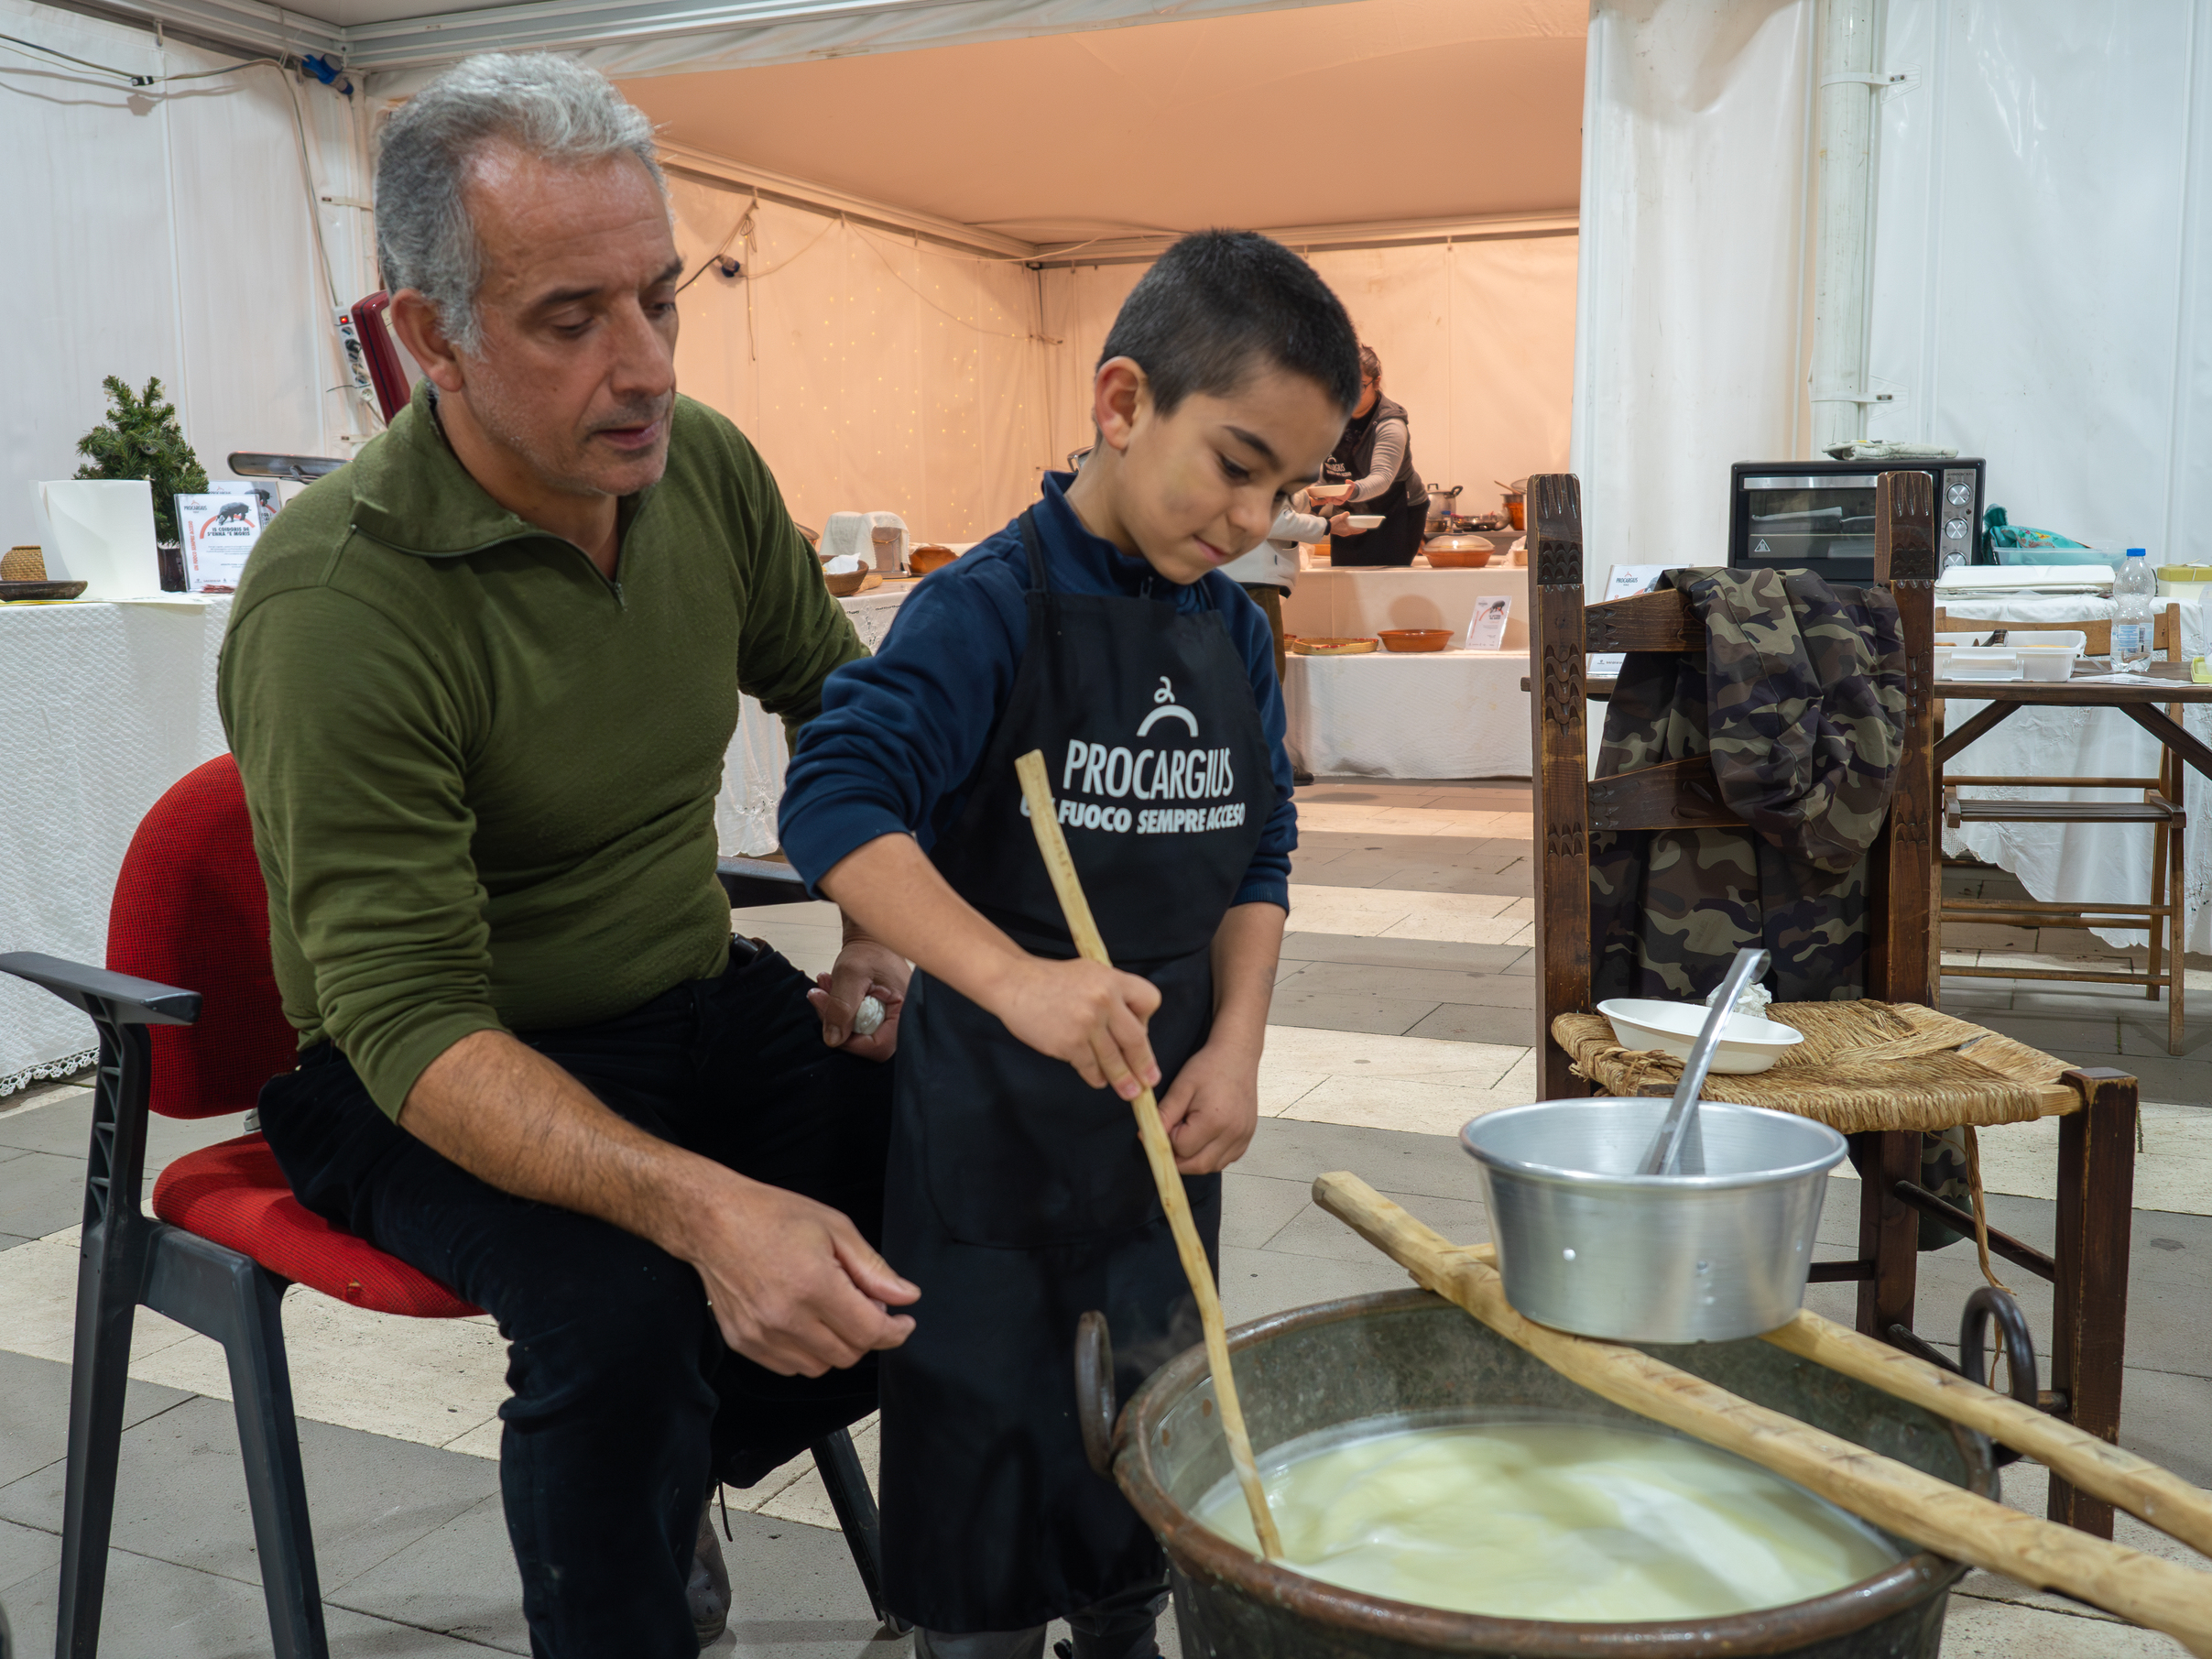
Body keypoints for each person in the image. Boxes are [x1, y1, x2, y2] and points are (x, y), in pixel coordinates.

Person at [217, 53, 915, 1658]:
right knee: (623, 1316)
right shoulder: (342, 605)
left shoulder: (706, 473)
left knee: (967, 1172)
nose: (647, 365)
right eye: (570, 318)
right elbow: (403, 1019)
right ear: (427, 336)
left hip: (683, 992)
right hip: (427, 1065)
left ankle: (730, 1505)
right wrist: (704, 1210)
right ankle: (632, 1591)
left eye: (661, 300)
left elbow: (847, 706)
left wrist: (879, 922)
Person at [776, 231, 1359, 1659]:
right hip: (987, 1152)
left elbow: (1259, 850)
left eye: (1284, 487)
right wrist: (1015, 980)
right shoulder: (984, 607)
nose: (1250, 516)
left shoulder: (1234, 632)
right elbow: (834, 798)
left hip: (1158, 1149)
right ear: (1119, 403)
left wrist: (1234, 1041)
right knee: (982, 1521)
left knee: (1142, 1480)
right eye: (1232, 463)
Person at [1312, 344, 1425, 566]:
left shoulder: (1390, 423)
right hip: (1347, 509)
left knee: (1388, 583)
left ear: (1376, 382)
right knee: (1344, 584)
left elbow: (1383, 476)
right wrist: (1313, 496)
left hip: (1396, 509)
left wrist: (1353, 491)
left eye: (1358, 386)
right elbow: (1325, 472)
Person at [1218, 491, 1326, 682]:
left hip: (1229, 573)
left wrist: (1308, 500)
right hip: (1253, 578)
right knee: (1263, 671)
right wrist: (1326, 525)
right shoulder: (1256, 463)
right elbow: (1272, 518)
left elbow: (1276, 499)